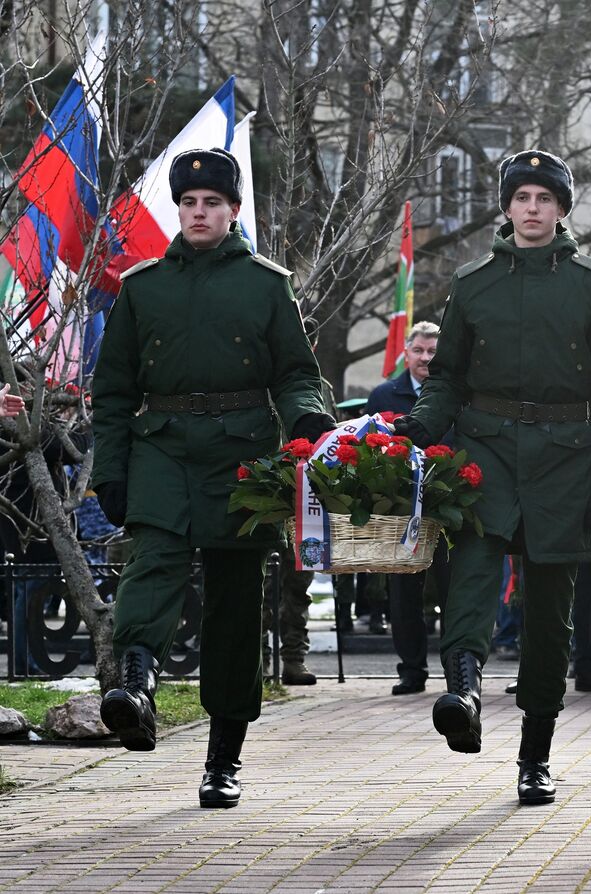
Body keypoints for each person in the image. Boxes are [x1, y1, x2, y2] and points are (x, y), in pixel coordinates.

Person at [91, 148, 334, 808]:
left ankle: (223, 757)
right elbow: (111, 390)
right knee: (154, 565)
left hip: (242, 456)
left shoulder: (264, 283)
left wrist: (307, 423)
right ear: (180, 210)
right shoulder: (142, 286)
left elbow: (295, 371)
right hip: (163, 449)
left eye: (213, 204)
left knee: (234, 604)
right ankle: (134, 689)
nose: (199, 213)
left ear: (233, 211)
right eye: (190, 204)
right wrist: (109, 470)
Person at [392, 149, 591, 806]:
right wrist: (420, 423)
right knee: (470, 576)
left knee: (549, 617)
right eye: (522, 197)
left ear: (562, 209)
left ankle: (536, 754)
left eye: (544, 199)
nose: (532, 209)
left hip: (566, 460)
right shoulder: (473, 283)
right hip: (487, 449)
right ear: (506, 207)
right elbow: (448, 377)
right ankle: (463, 691)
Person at [366, 320, 451, 695]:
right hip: (401, 508)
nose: (425, 358)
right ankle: (411, 670)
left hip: (449, 502)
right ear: (406, 353)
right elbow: (369, 447)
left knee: (453, 590)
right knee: (403, 594)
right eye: (419, 350)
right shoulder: (384, 395)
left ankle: (456, 669)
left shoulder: (456, 395)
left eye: (433, 352)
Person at [263, 316, 338, 687]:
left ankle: (294, 657)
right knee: (259, 584)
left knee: (298, 585)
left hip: (305, 497)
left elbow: (335, 439)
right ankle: (258, 659)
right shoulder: (259, 381)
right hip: (264, 490)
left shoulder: (319, 387)